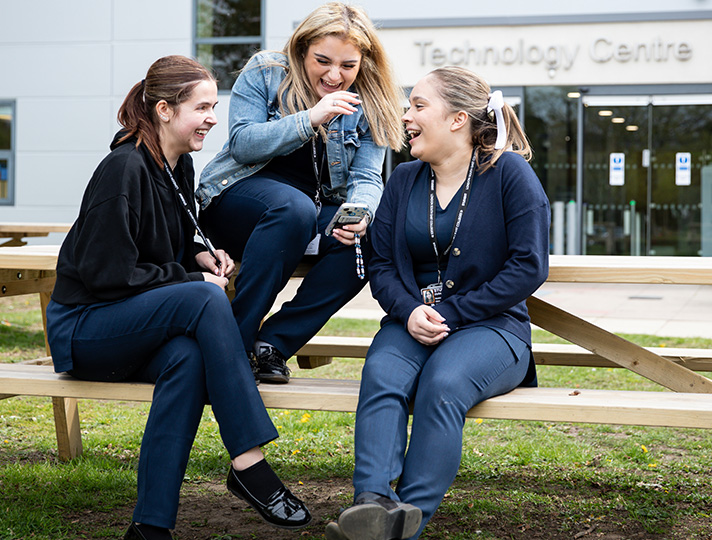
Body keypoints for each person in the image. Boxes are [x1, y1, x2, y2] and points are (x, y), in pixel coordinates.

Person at [45, 55, 311, 540]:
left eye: (214, 106)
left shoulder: (178, 166)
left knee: (188, 358)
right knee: (206, 300)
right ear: (165, 109)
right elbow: (108, 273)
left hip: (129, 325)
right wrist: (189, 279)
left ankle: (150, 527)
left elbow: (162, 248)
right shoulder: (121, 169)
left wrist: (199, 257)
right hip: (85, 328)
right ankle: (249, 464)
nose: (213, 117)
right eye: (203, 107)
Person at [326, 66, 551, 540]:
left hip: (492, 328)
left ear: (458, 120)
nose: (406, 116)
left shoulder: (509, 173)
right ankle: (370, 503)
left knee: (443, 384)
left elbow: (528, 266)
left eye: (418, 106)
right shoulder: (404, 178)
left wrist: (449, 313)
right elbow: (382, 264)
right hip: (410, 320)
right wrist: (409, 312)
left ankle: (404, 519)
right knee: (383, 375)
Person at [195, 2, 404, 384]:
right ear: (302, 48)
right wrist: (312, 118)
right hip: (233, 202)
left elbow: (368, 178)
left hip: (304, 217)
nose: (334, 75)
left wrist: (359, 212)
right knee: (294, 207)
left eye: (347, 66)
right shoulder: (266, 71)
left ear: (363, 63)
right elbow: (243, 143)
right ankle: (234, 344)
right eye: (322, 60)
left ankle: (271, 344)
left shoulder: (370, 100)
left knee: (370, 239)